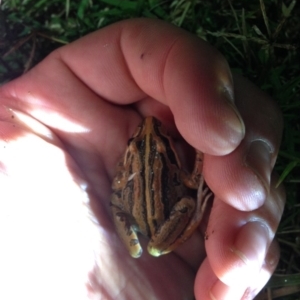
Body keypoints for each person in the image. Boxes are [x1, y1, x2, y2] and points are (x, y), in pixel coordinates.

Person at [0, 18, 285, 300]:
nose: (151, 130)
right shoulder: (166, 168)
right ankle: (176, 229)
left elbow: (130, 186)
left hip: (145, 221)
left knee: (193, 198)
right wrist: (200, 155)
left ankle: (150, 241)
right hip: (160, 224)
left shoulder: (128, 169)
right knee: (187, 202)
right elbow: (192, 180)